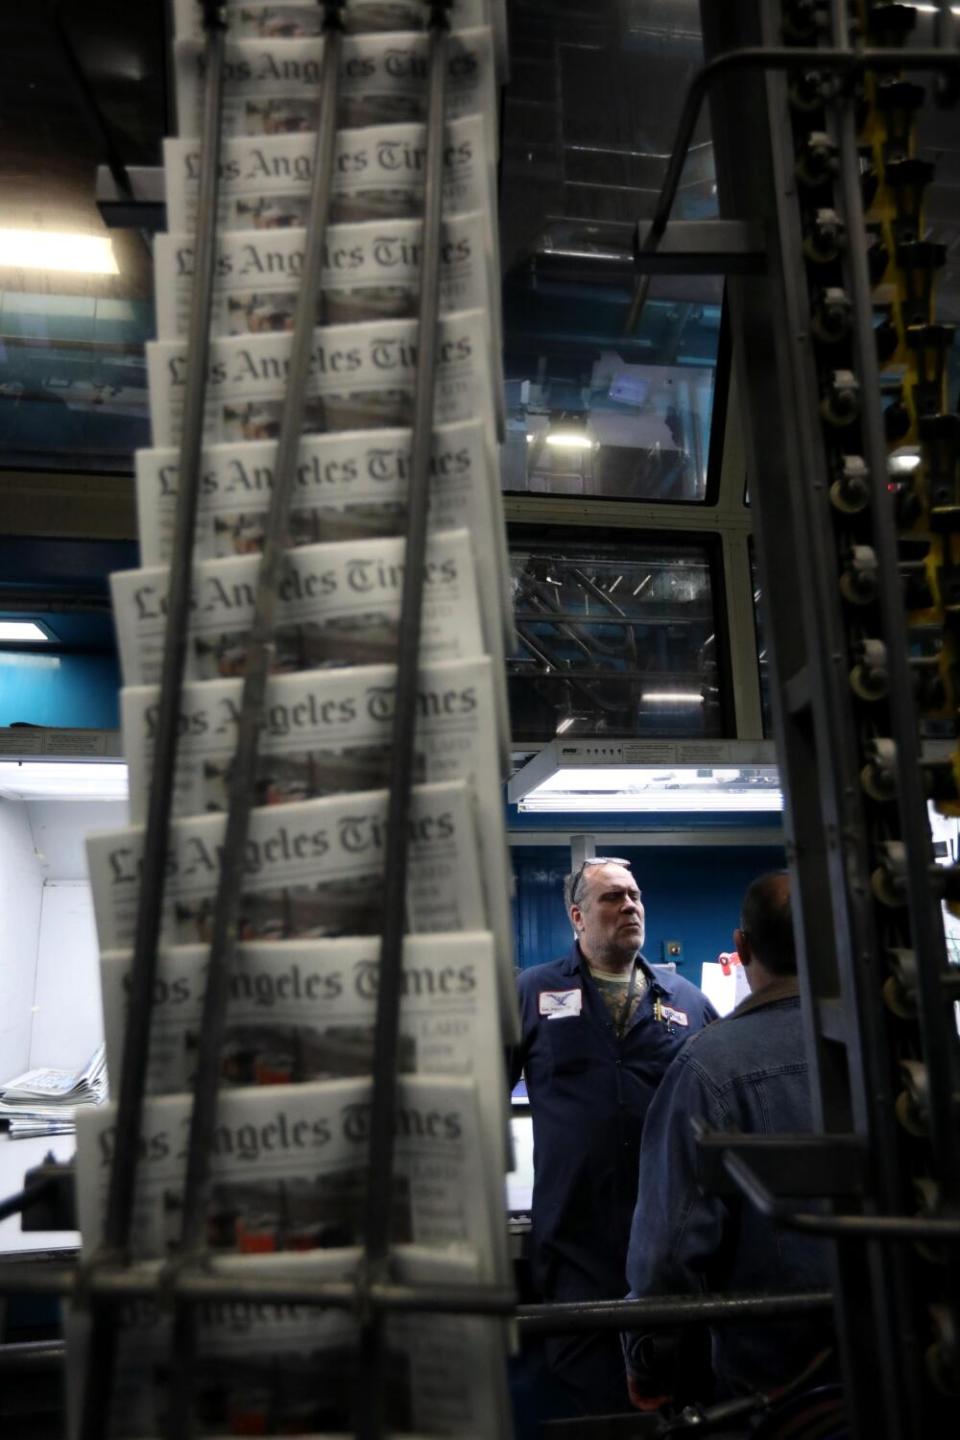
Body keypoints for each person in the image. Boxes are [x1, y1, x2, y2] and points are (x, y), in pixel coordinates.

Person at [511, 857, 718, 1416]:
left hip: (666, 1236)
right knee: (589, 1402)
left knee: (673, 1395)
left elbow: (720, 1104)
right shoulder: (531, 993)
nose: (629, 906)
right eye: (612, 898)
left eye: (635, 896)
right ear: (577, 916)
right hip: (573, 1236)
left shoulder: (686, 1000)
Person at [623, 872, 832, 1408]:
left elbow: (667, 1255)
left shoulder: (707, 1065)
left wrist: (649, 1361)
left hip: (775, 1384)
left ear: (740, 948)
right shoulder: (899, 1047)